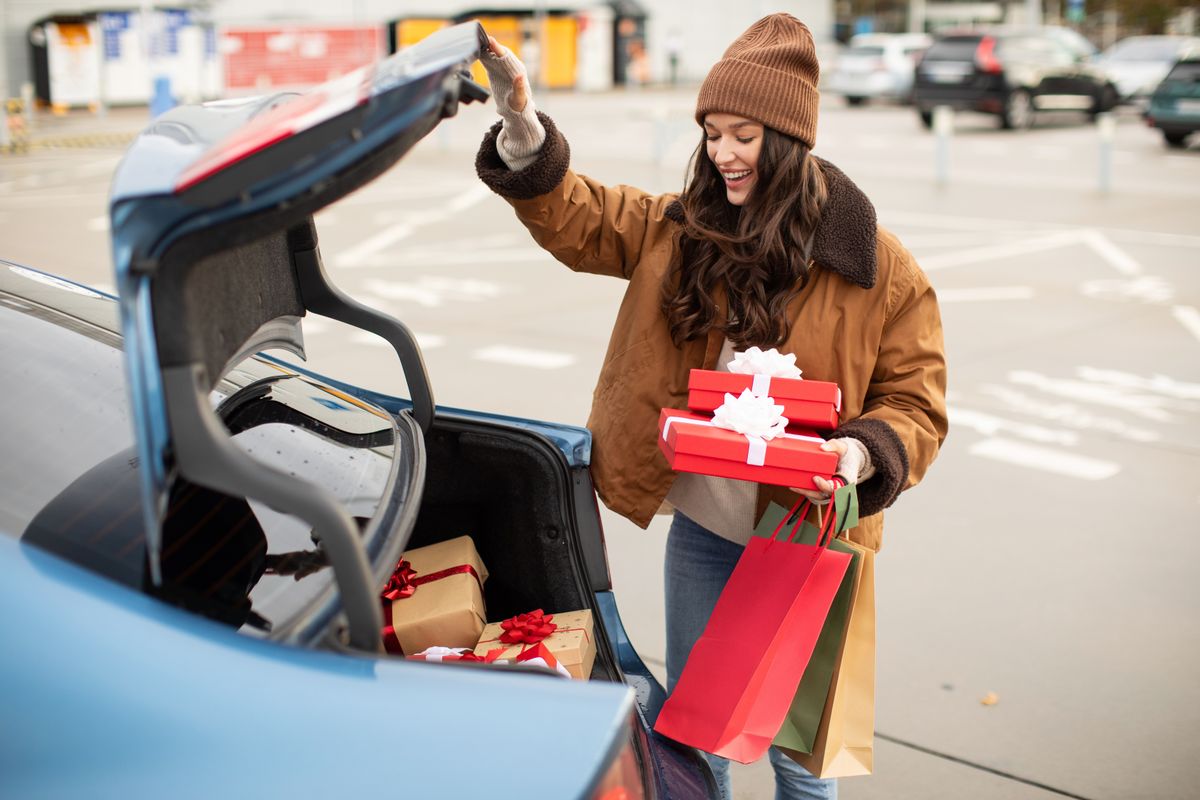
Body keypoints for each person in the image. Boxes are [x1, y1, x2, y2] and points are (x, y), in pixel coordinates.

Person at [476, 13, 947, 800]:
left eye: (743, 136)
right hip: (705, 533)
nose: (722, 154)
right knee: (699, 741)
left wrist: (859, 452)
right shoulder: (684, 227)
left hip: (808, 537)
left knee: (800, 758)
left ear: (789, 143)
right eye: (712, 134)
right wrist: (520, 122)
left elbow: (918, 402)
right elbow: (578, 216)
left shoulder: (877, 268)